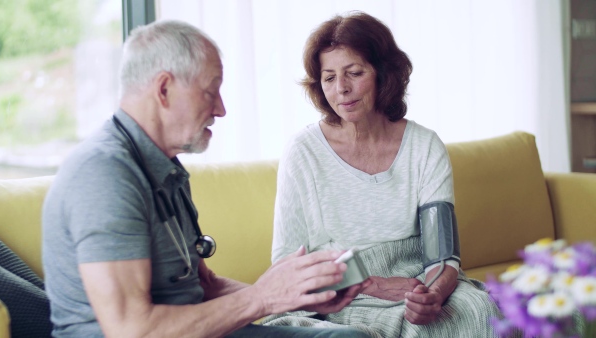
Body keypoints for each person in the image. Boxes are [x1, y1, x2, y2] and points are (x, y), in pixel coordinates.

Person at [41, 20, 373, 338]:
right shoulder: (104, 176)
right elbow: (133, 331)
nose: (221, 108)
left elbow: (206, 285)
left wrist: (300, 297)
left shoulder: (164, 167)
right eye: (210, 90)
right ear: (164, 89)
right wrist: (264, 298)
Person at [263, 11, 501, 338]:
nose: (342, 89)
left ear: (383, 74)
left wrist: (430, 295)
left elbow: (442, 255)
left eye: (354, 72)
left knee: (479, 312)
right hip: (342, 294)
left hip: (418, 281)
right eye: (329, 78)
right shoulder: (302, 151)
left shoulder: (424, 145)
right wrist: (370, 284)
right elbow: (287, 266)